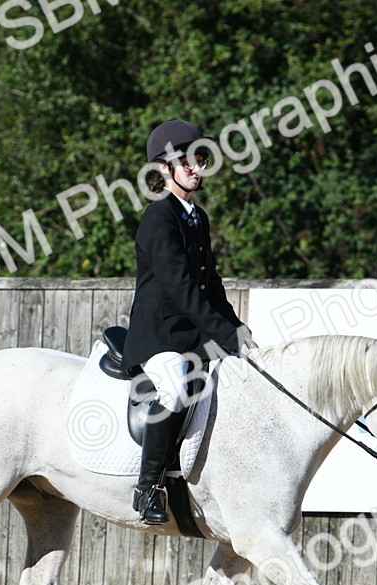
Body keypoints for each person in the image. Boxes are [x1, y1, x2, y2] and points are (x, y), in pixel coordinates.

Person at [120, 119, 255, 525]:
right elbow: (180, 288)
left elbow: (210, 283)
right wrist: (223, 332)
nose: (197, 167)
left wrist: (238, 329)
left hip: (192, 334)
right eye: (188, 161)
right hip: (159, 334)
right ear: (164, 168)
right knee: (176, 387)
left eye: (201, 158)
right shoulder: (158, 218)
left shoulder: (198, 217)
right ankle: (147, 489)